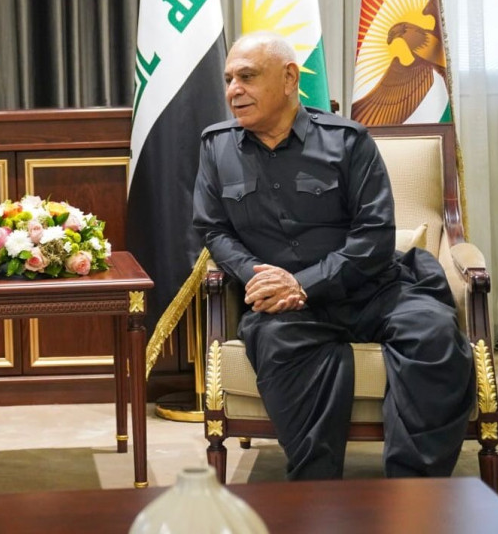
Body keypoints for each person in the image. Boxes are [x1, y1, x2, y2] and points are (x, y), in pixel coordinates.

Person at [192, 31, 475, 481]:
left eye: (247, 77)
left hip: (372, 288)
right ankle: (319, 492)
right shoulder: (217, 146)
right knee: (278, 343)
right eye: (229, 80)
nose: (233, 91)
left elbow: (374, 235)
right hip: (285, 305)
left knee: (435, 336)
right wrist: (257, 276)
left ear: (289, 79)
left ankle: (415, 492)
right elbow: (213, 229)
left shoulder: (347, 141)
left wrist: (304, 284)